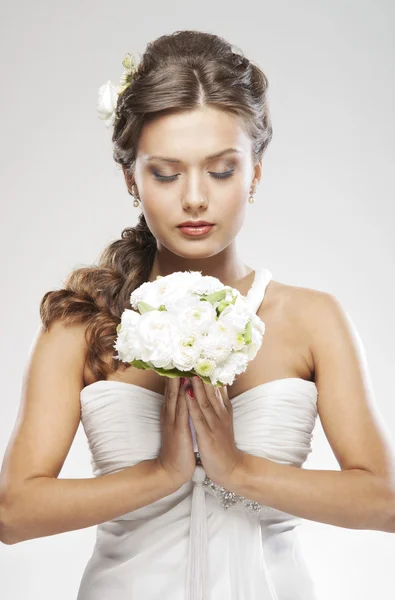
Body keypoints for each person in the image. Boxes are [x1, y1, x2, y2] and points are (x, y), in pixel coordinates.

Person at [1, 29, 395, 600]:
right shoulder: (82, 325)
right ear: (131, 179)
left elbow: (385, 502)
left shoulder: (313, 320)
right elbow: (13, 512)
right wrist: (161, 475)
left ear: (255, 171)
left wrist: (236, 470)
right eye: (165, 173)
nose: (193, 198)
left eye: (221, 170)